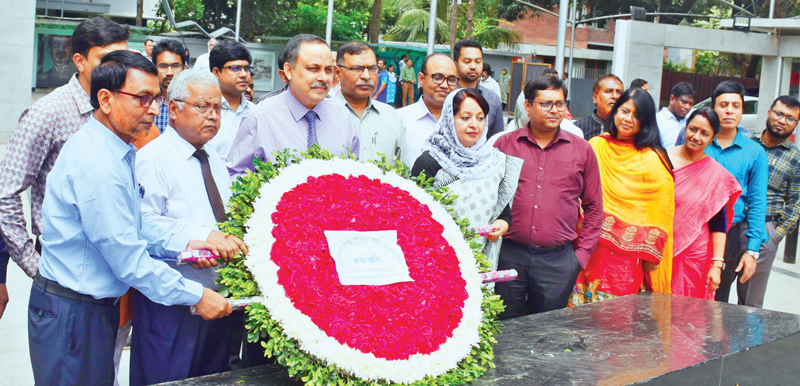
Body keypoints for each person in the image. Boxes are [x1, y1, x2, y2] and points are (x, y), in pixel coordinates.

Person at [28, 50, 238, 386]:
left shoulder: (118, 148)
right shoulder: (101, 165)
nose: (154, 110)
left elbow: (135, 228)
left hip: (90, 309)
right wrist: (197, 295)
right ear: (106, 99)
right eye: (142, 99)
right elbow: (129, 260)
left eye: (155, 98)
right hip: (75, 312)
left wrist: (185, 242)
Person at [131, 69, 247, 385]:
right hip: (172, 303)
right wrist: (198, 239)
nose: (212, 116)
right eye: (202, 107)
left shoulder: (213, 159)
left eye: (218, 108)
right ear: (174, 107)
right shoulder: (153, 159)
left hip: (217, 297)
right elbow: (141, 226)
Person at [0, 16, 129, 279]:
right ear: (80, 61)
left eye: (122, 59)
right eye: (106, 60)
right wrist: (34, 266)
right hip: (61, 264)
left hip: (116, 261)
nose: (118, 69)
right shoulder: (47, 113)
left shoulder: (123, 105)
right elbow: (5, 193)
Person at [494, 76, 602, 317]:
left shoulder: (581, 149)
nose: (554, 110)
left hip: (558, 262)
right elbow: (491, 199)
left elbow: (594, 207)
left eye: (560, 104)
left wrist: (579, 257)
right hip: (509, 254)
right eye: (546, 104)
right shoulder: (505, 145)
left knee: (548, 332)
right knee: (504, 327)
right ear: (528, 106)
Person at [570, 88, 674, 304]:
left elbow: (662, 210)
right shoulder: (596, 146)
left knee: (617, 319)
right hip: (589, 244)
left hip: (627, 257)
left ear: (646, 122)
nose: (628, 119)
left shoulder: (653, 159)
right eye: (625, 111)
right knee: (580, 319)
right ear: (615, 111)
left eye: (637, 116)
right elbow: (575, 189)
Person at [411, 89, 522, 270]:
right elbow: (412, 218)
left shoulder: (495, 162)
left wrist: (501, 226)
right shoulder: (430, 161)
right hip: (435, 264)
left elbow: (504, 214)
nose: (474, 125)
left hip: (481, 262)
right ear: (449, 119)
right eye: (465, 118)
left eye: (480, 118)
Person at [228, 34, 359, 176]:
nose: (323, 77)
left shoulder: (343, 116)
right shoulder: (260, 118)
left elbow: (354, 173)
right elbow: (235, 175)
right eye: (313, 69)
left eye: (328, 70)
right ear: (289, 71)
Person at [653, 108, 742, 299]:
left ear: (713, 138)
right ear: (685, 128)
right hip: (658, 247)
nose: (696, 137)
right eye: (693, 129)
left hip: (695, 255)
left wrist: (717, 265)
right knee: (652, 312)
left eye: (704, 133)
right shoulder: (660, 158)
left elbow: (718, 225)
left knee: (688, 315)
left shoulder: (715, 175)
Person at [704, 81, 768, 305]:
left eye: (735, 105)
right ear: (713, 109)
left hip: (731, 234)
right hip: (695, 231)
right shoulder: (697, 141)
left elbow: (758, 202)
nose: (729, 110)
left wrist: (752, 250)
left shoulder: (755, 152)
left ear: (742, 110)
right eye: (723, 105)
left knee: (718, 299)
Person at [742, 95, 800, 308]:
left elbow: (796, 204)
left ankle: (747, 341)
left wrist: (776, 234)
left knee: (750, 301)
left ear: (796, 124)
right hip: (731, 223)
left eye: (790, 118)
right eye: (779, 114)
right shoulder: (746, 143)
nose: (783, 121)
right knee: (715, 287)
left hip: (766, 229)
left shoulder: (796, 160)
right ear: (769, 113)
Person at [334, 42, 405, 163]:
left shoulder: (391, 116)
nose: (367, 76)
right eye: (357, 68)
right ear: (338, 73)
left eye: (372, 68)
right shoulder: (322, 114)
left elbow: (403, 171)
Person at [397, 53, 459, 166]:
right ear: (421, 79)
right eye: (438, 77)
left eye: (451, 79)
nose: (445, 85)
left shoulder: (464, 121)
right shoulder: (400, 119)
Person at [206, 40, 255, 161]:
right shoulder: (204, 112)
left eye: (247, 68)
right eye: (235, 68)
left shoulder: (255, 111)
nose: (244, 74)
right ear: (217, 72)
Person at [453, 40, 504, 138]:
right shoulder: (446, 96)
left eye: (478, 61)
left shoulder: (492, 99)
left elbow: (496, 141)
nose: (473, 66)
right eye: (467, 61)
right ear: (455, 63)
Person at [152, 39, 188, 133]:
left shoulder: (193, 104)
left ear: (184, 68)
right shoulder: (147, 105)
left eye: (175, 66)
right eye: (163, 66)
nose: (169, 72)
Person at [575, 73, 623, 140]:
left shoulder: (625, 129)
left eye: (619, 92)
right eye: (609, 91)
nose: (615, 96)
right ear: (595, 97)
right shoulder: (578, 128)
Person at [656, 82, 695, 148]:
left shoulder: (689, 124)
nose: (687, 107)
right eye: (684, 102)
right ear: (672, 99)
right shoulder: (657, 120)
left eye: (690, 104)